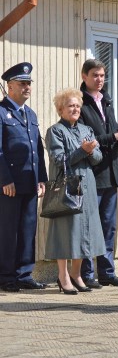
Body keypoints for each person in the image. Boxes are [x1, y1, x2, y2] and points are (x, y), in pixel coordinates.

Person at [78, 59, 118, 288]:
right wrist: (115, 138)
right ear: (84, 76)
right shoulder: (80, 104)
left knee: (108, 226)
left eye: (102, 75)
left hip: (110, 173)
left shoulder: (107, 101)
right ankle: (87, 273)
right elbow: (87, 141)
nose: (99, 80)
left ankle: (107, 272)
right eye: (95, 75)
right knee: (90, 226)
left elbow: (113, 134)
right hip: (92, 174)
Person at [45, 88, 107, 295]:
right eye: (71, 105)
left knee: (85, 231)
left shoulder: (86, 129)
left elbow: (98, 158)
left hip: (87, 186)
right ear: (61, 109)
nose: (75, 109)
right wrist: (83, 151)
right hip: (67, 187)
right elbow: (59, 159)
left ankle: (76, 274)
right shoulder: (55, 131)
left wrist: (90, 151)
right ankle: (62, 277)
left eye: (78, 106)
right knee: (66, 231)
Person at [0, 62, 48, 293]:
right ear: (10, 86)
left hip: (29, 181)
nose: (28, 87)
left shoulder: (30, 113)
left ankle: (24, 274)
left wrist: (41, 178)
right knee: (8, 231)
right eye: (22, 83)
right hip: (9, 184)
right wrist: (4, 179)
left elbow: (37, 148)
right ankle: (6, 276)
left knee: (28, 229)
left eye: (29, 83)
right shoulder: (0, 112)